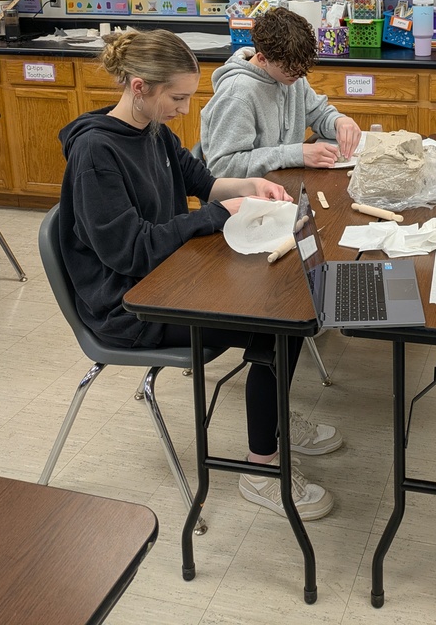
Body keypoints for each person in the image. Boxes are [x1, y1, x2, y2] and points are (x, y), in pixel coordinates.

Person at [59, 28, 342, 521]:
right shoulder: (96, 154)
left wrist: (251, 187)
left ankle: (272, 420)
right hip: (128, 304)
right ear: (139, 87)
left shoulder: (152, 129)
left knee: (294, 302)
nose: (185, 109)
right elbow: (130, 251)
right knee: (277, 322)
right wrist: (216, 214)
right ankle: (262, 469)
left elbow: (204, 182)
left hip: (169, 274)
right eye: (178, 98)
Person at [197, 6, 361, 176]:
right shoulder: (237, 94)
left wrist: (339, 122)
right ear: (262, 59)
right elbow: (223, 167)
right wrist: (295, 155)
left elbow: (318, 114)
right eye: (290, 69)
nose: (299, 75)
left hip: (282, 180)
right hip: (250, 190)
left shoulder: (290, 76)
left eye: (302, 68)